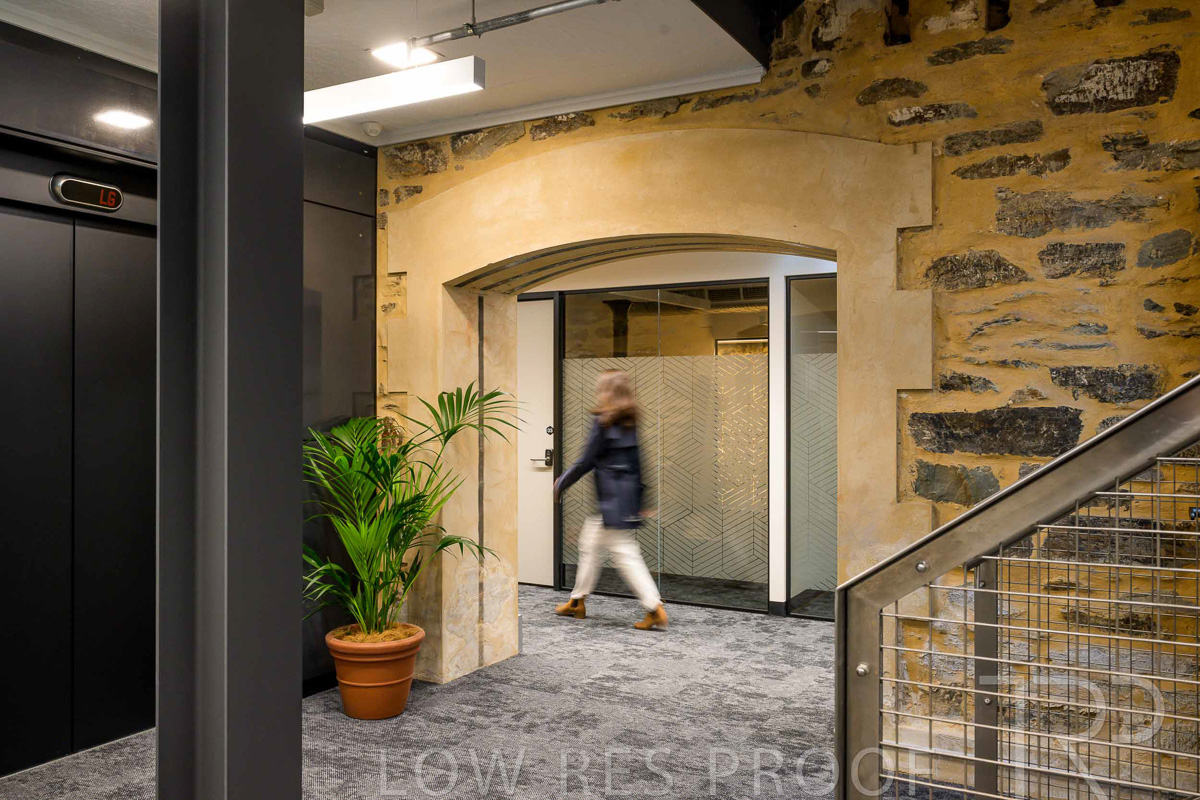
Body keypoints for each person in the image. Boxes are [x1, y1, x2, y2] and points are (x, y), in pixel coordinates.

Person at [553, 370, 668, 631]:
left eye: (601, 387)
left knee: (623, 553)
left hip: (609, 501)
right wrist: (641, 498)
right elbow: (639, 463)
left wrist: (562, 482)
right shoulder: (630, 421)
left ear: (607, 391)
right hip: (623, 499)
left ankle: (653, 607)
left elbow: (587, 460)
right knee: (592, 546)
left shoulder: (603, 421)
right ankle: (577, 600)